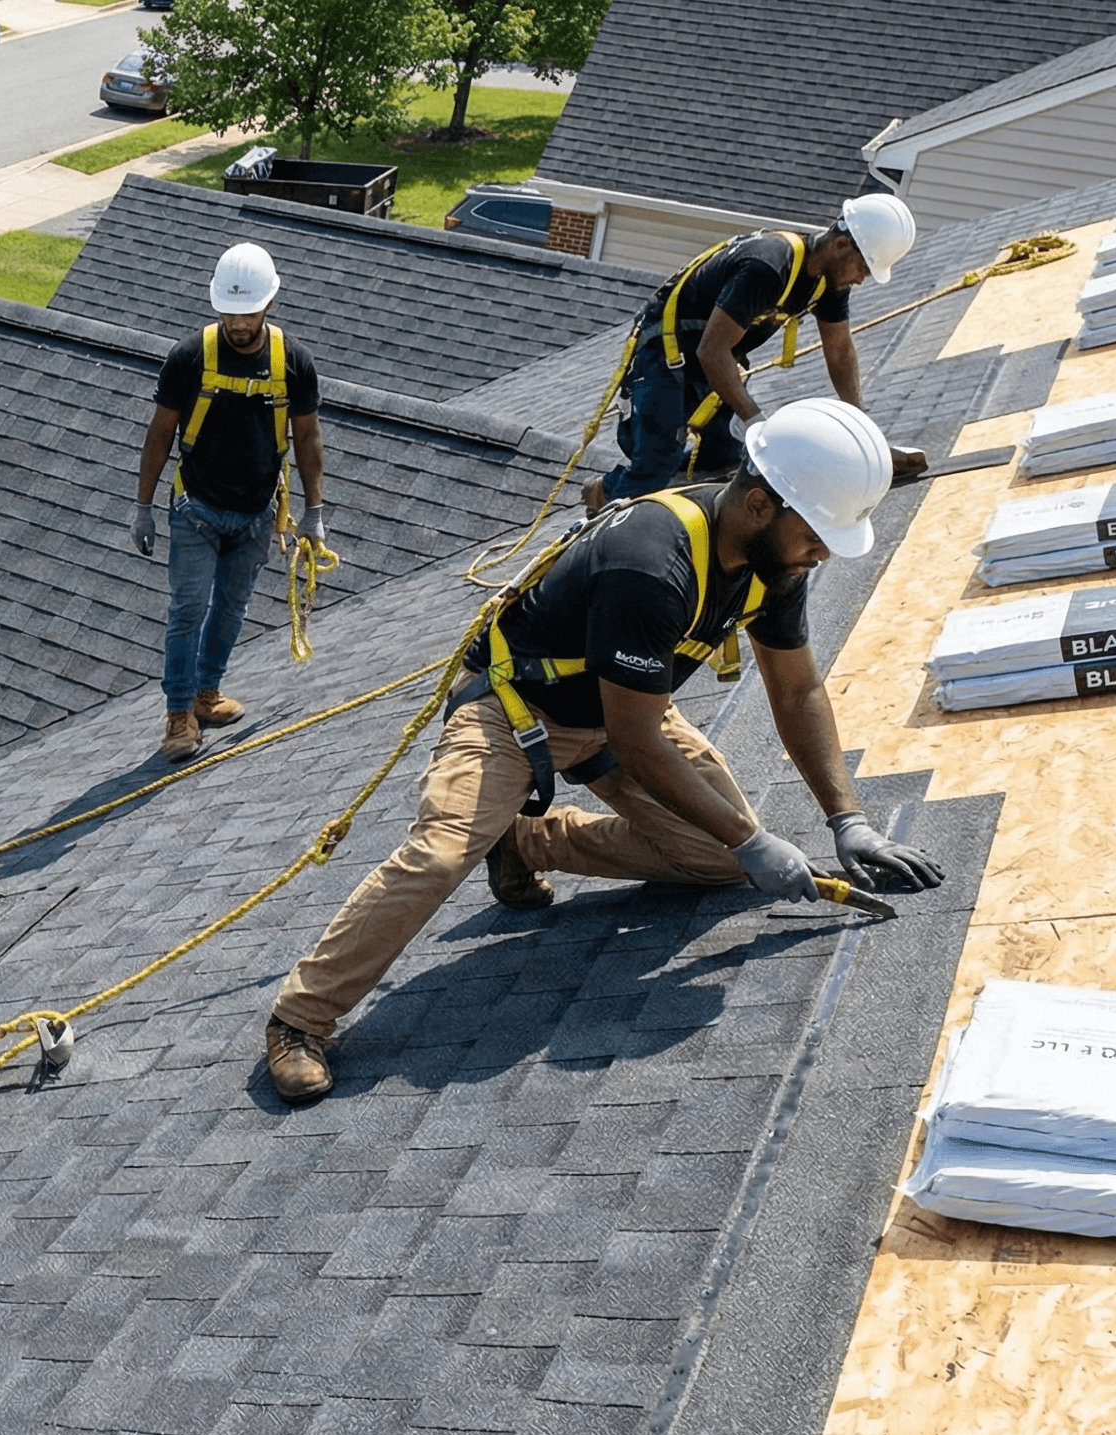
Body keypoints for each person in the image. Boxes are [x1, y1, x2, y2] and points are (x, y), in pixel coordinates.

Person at [259, 399, 946, 1102]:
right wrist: (753, 837)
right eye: (819, 534)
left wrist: (846, 819)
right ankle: (299, 1019)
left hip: (621, 711)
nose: (823, 553)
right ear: (763, 506)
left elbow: (797, 693)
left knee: (714, 860)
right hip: (514, 712)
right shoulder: (652, 560)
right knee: (441, 852)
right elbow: (637, 741)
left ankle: (527, 841)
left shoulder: (775, 565)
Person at [594, 193, 922, 507]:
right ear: (841, 245)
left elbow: (839, 352)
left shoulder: (828, 281)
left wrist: (862, 429)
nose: (862, 280)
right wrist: (754, 419)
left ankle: (667, 497)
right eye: (863, 269)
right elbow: (711, 350)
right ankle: (607, 508)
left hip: (718, 356)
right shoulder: (769, 265)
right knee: (655, 463)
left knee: (724, 456)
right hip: (667, 354)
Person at [133, 241, 329, 765]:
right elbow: (160, 433)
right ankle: (178, 714)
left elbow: (307, 438)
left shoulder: (294, 362)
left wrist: (314, 512)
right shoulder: (190, 357)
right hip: (196, 507)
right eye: (230, 312)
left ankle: (205, 693)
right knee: (188, 608)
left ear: (268, 304)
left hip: (258, 512)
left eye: (248, 312)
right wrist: (143, 506)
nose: (239, 323)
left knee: (232, 608)